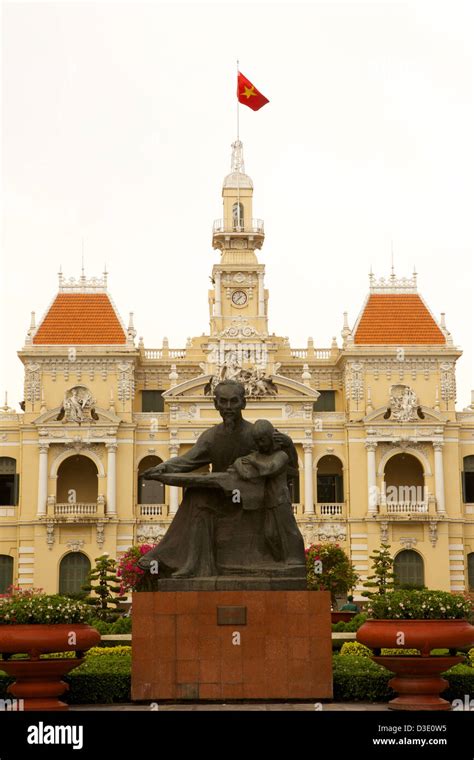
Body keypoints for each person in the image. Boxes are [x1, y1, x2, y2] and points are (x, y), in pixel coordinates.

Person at [138, 380, 299, 578]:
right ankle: (193, 565)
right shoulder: (211, 436)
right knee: (196, 496)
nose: (228, 407)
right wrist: (161, 468)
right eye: (223, 402)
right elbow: (187, 461)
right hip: (222, 495)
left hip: (251, 500)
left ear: (243, 403)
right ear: (216, 404)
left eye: (233, 401)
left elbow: (288, 468)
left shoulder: (256, 434)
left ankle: (176, 560)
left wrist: (289, 445)